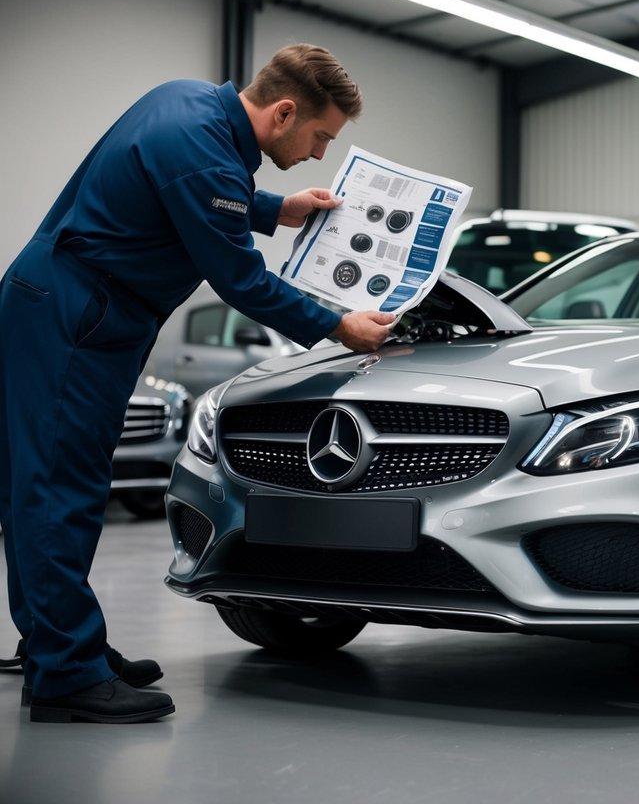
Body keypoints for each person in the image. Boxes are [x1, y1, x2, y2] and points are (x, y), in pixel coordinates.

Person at [0, 44, 396, 723]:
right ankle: (66, 672)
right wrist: (340, 326)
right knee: (57, 489)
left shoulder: (188, 106)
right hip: (74, 318)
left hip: (72, 310)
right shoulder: (206, 150)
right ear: (284, 111)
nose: (320, 153)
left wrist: (277, 209)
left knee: (52, 483)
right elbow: (241, 280)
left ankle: (61, 647)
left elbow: (191, 193)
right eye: (320, 136)